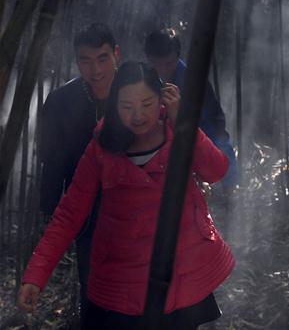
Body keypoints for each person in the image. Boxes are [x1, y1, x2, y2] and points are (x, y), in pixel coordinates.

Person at [19, 61, 234, 329]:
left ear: (162, 100)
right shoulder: (102, 146)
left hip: (179, 276)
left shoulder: (178, 134)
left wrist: (186, 126)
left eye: (146, 104)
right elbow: (70, 213)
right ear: (114, 105)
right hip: (122, 281)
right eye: (127, 106)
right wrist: (36, 274)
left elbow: (216, 170)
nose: (138, 115)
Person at [39, 23, 120, 325]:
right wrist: (48, 209)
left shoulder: (136, 93)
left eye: (102, 58)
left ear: (116, 55)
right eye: (86, 61)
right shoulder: (61, 102)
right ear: (77, 61)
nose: (95, 70)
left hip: (138, 206)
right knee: (93, 285)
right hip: (87, 212)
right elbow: (52, 160)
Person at [144, 26, 238, 186]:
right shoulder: (141, 79)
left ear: (177, 56)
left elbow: (214, 126)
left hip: (194, 144)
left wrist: (226, 179)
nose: (163, 70)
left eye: (168, 63)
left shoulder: (193, 81)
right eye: (157, 64)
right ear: (148, 59)